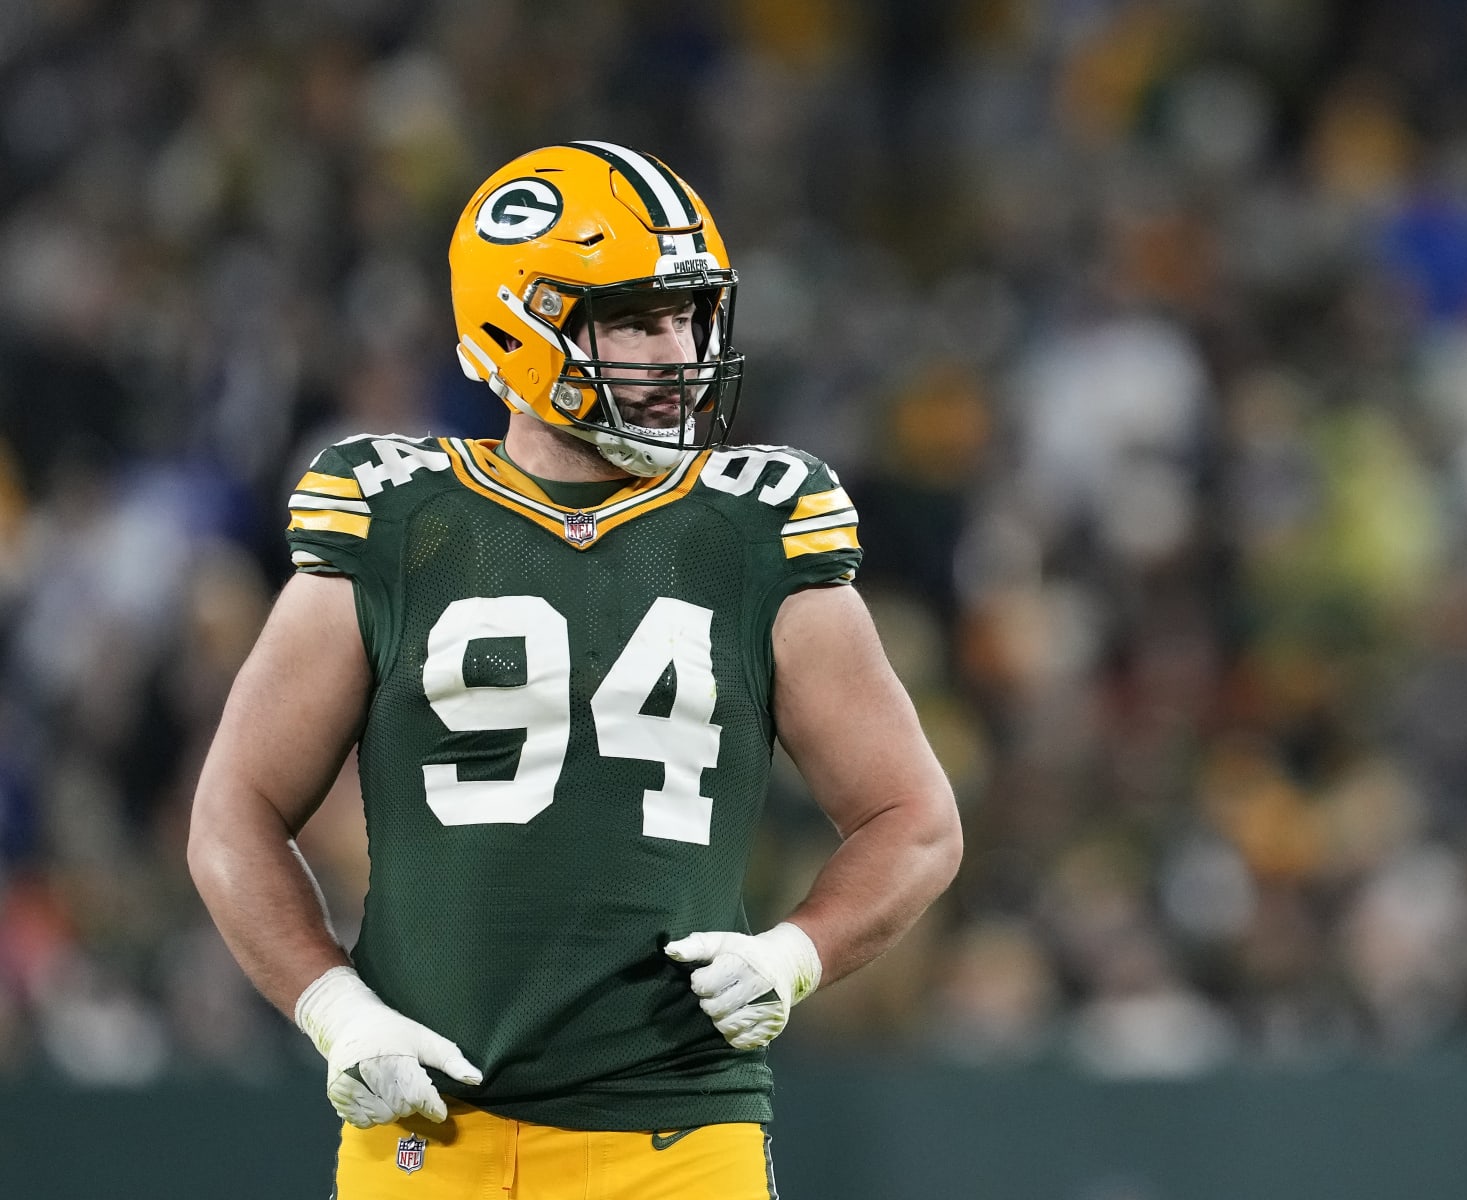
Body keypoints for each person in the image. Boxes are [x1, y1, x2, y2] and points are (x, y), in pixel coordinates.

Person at [187, 140, 962, 1199]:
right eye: (639, 317)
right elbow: (233, 808)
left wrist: (797, 952)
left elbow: (914, 817)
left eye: (690, 315)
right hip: (430, 1131)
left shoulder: (755, 530)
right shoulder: (396, 519)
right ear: (523, 319)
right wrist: (335, 1008)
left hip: (678, 1138)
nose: (678, 348)